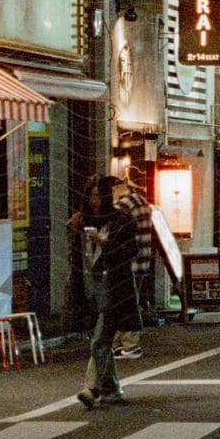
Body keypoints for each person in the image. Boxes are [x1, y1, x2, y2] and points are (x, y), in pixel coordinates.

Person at [75, 174, 141, 409]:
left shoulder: (121, 220)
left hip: (116, 288)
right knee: (102, 341)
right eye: (90, 195)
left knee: (100, 340)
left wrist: (107, 244)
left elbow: (131, 250)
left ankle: (91, 388)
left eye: (97, 195)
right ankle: (111, 388)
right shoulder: (85, 221)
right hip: (95, 290)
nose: (94, 200)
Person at [111, 173, 150, 360]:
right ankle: (119, 343)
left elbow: (109, 222)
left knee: (127, 304)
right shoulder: (141, 200)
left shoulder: (126, 203)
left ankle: (130, 345)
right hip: (141, 260)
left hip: (129, 262)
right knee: (127, 303)